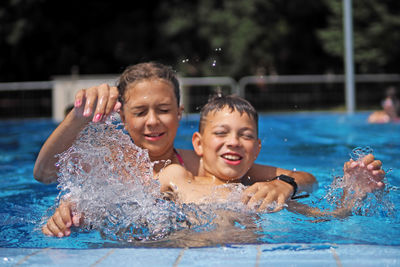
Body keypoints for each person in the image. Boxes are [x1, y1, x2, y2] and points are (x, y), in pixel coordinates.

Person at [42, 95, 385, 237]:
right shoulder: (177, 176)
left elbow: (329, 219)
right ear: (199, 145)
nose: (234, 141)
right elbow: (120, 200)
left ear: (257, 148)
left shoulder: (258, 192)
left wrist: (353, 195)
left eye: (245, 135)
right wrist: (73, 209)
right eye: (221, 133)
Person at [34, 62, 317, 212]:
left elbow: (306, 178)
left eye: (164, 110)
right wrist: (78, 117)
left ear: (179, 113)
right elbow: (44, 174)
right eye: (140, 111)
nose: (153, 121)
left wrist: (286, 186)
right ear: (123, 118)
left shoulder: (201, 163)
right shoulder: (110, 163)